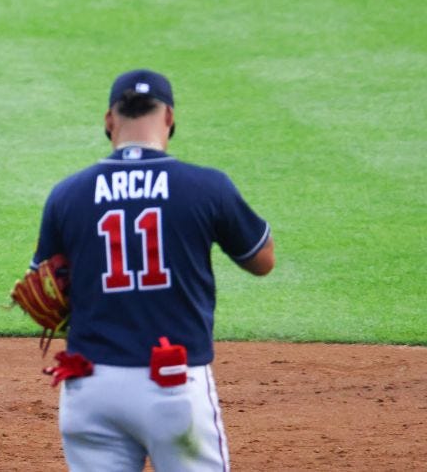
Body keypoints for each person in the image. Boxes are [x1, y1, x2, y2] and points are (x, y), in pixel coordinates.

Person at [28, 69, 275, 471]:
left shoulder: (67, 194)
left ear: (110, 119)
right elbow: (262, 261)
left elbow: (44, 289)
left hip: (91, 386)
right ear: (170, 118)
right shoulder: (206, 186)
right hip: (172, 387)